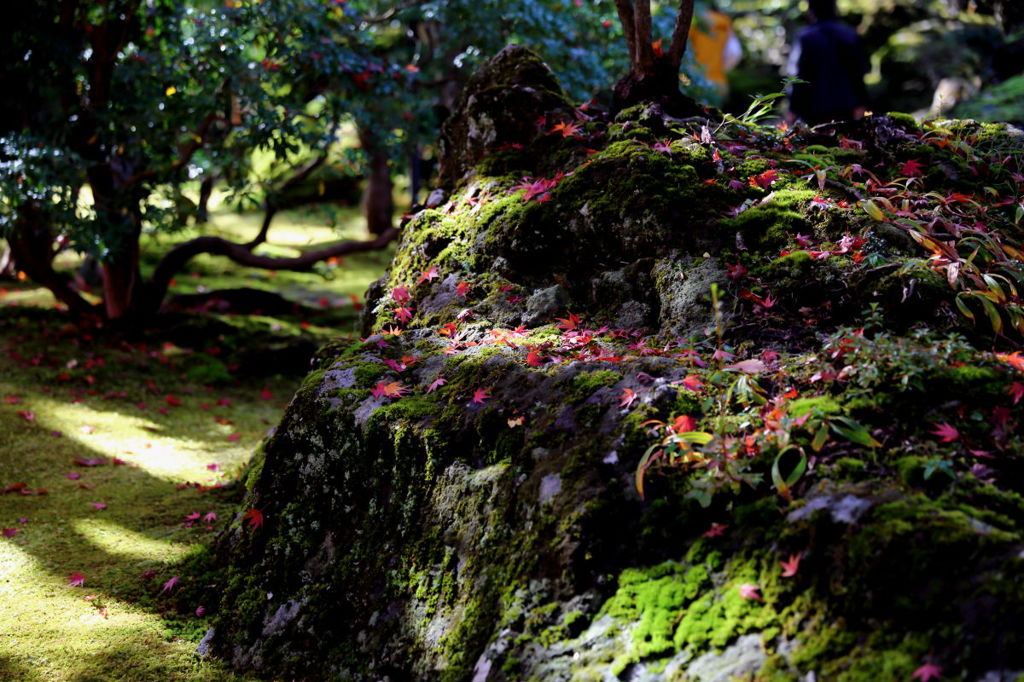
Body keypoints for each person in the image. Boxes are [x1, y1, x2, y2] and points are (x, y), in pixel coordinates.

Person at [786, 0, 870, 125]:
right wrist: (862, 102)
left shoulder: (805, 37)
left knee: (815, 142)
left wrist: (793, 107)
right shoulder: (848, 34)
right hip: (845, 104)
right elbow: (858, 71)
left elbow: (798, 75)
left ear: (811, 11)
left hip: (812, 106)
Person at [689, 3, 744, 101]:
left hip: (697, 81)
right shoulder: (725, 22)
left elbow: (685, 49)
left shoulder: (695, 21)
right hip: (719, 83)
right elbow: (735, 52)